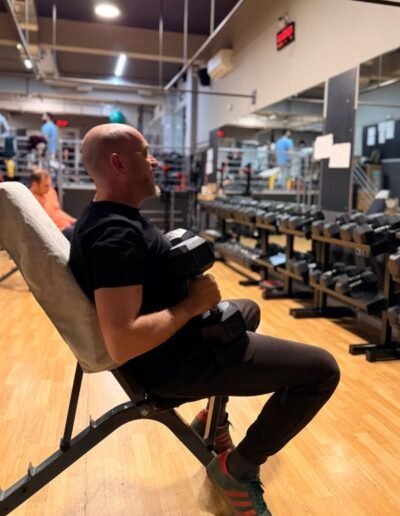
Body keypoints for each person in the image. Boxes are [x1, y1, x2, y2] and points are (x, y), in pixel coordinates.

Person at [69, 123, 340, 516]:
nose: (154, 161)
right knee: (322, 371)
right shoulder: (115, 238)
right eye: (144, 153)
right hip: (176, 364)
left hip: (181, 343)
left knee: (248, 309)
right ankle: (238, 470)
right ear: (118, 164)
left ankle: (212, 420)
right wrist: (190, 305)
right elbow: (122, 341)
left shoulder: (110, 217)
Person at [30, 168, 76, 241]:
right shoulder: (30, 200)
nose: (49, 188)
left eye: (50, 185)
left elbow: (57, 210)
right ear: (34, 185)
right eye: (45, 185)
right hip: (57, 233)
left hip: (67, 226)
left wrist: (74, 220)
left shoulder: (50, 191)